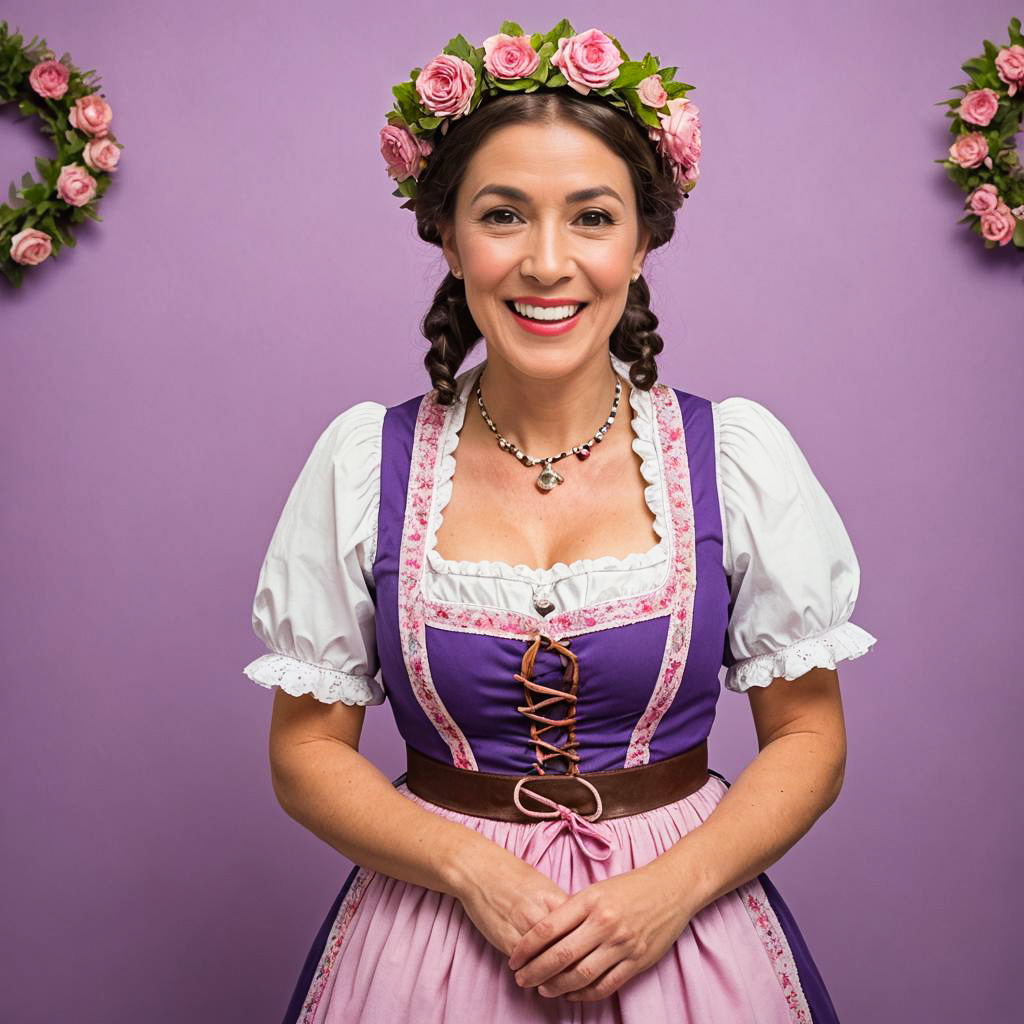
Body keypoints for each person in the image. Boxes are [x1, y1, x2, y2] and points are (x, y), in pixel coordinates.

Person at [242, 20, 878, 1023]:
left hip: (683, 937)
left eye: (590, 217)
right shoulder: (364, 463)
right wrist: (471, 868)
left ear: (639, 240)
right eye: (503, 216)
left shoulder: (734, 456)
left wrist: (666, 888)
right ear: (448, 236)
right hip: (428, 951)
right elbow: (307, 752)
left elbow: (807, 734)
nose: (546, 262)